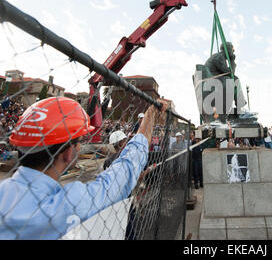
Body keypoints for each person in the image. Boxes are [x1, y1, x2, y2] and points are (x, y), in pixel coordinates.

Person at [0, 97, 168, 240]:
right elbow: (127, 168)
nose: (80, 148)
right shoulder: (71, 204)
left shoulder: (4, 192)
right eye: (79, 142)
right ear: (67, 153)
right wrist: (150, 114)